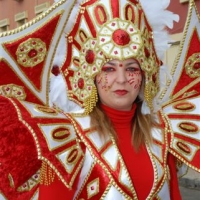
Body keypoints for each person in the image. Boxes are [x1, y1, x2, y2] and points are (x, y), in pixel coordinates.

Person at [0, 0, 200, 200]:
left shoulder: (164, 133)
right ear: (91, 76)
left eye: (131, 68)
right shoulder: (65, 139)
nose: (121, 79)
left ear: (144, 74)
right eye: (109, 69)